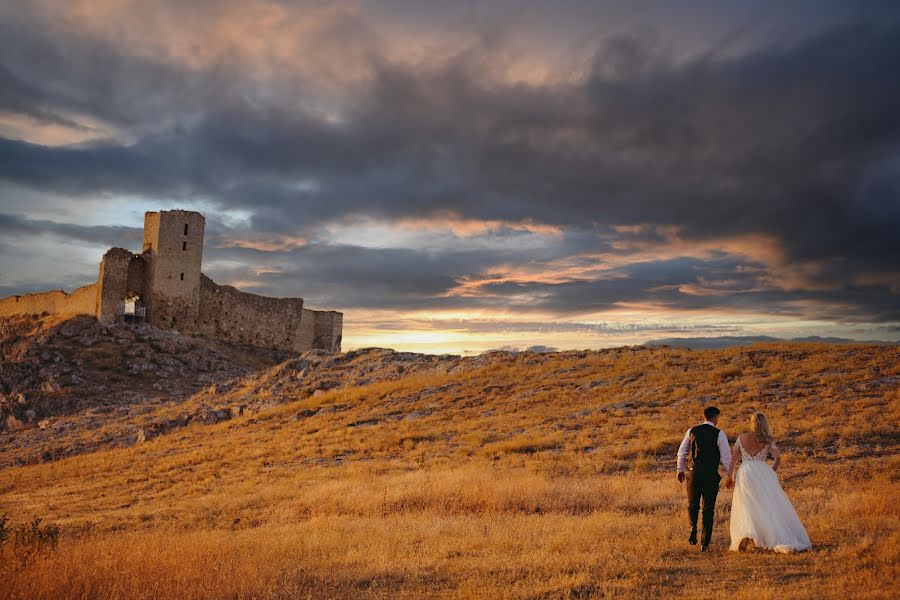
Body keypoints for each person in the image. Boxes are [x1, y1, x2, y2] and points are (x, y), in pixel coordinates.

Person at [725, 412, 811, 553]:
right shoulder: (767, 439)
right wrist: (772, 471)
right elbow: (777, 457)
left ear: (752, 423)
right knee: (766, 505)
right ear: (764, 423)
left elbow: (733, 460)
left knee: (747, 504)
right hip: (762, 472)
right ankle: (765, 536)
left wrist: (730, 477)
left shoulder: (742, 438)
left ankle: (750, 535)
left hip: (745, 472)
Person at [676, 406, 732, 552]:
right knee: (708, 509)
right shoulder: (719, 434)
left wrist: (680, 470)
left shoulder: (691, 431)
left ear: (704, 417)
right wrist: (730, 475)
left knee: (692, 504)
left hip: (693, 473)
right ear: (715, 418)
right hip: (710, 474)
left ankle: (693, 526)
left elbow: (682, 452)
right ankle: (704, 544)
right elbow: (726, 459)